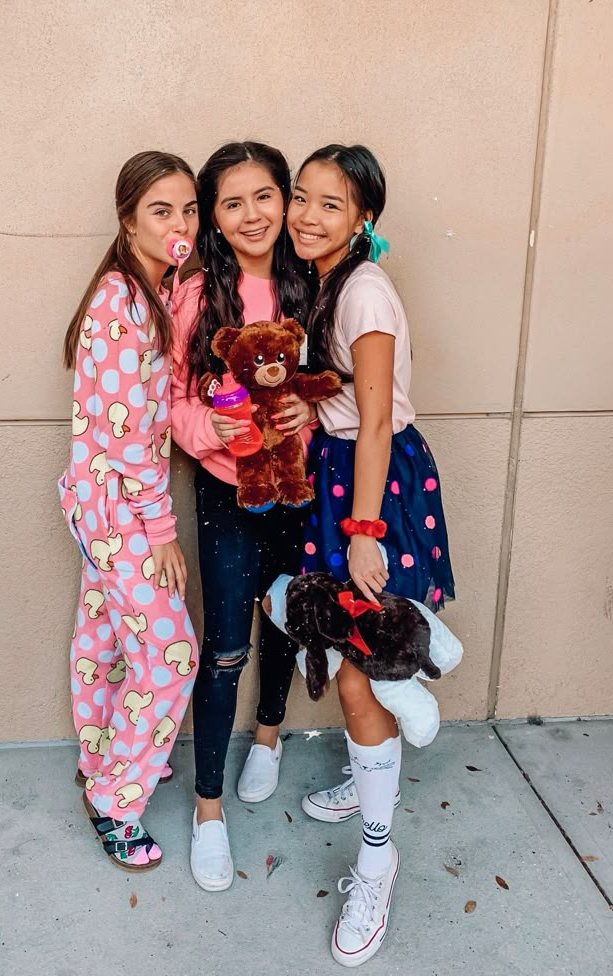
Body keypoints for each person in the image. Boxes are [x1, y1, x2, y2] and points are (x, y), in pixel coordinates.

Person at [287, 144, 455, 964]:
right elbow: (340, 401)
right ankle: (371, 763)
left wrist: (362, 533)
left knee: (361, 663)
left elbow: (378, 420)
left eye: (330, 204)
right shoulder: (326, 282)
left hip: (373, 491)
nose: (307, 215)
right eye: (302, 197)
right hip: (343, 475)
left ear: (364, 220)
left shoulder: (366, 293)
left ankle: (378, 865)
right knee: (354, 651)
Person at [170, 141, 315, 891]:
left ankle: (269, 735)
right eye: (233, 202)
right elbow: (172, 398)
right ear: (214, 218)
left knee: (287, 614)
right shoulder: (198, 293)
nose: (253, 214)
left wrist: (306, 413)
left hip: (297, 485)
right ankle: (207, 808)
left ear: (285, 201)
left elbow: (334, 384)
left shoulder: (310, 281)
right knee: (226, 644)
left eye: (265, 196)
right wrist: (207, 431)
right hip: (227, 491)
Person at [58, 151, 200, 871]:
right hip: (118, 510)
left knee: (105, 638)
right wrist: (161, 530)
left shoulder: (151, 292)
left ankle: (98, 761)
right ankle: (117, 801)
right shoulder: (121, 302)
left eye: (188, 210)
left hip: (98, 503)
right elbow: (128, 435)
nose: (180, 224)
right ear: (128, 220)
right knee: (174, 658)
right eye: (161, 211)